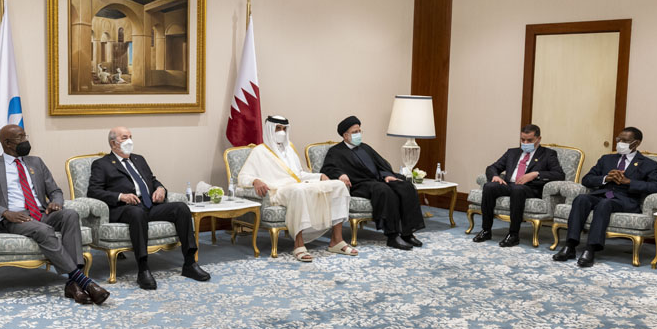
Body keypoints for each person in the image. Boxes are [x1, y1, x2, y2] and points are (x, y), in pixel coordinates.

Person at [0, 124, 109, 305]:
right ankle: (84, 282)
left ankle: (73, 284)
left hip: (41, 212)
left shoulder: (36, 162)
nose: (25, 140)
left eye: (25, 135)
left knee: (71, 215)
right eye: (20, 137)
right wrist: (5, 212)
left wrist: (56, 202)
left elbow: (55, 190)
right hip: (15, 218)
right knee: (44, 230)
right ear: (7, 143)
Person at [87, 126, 210, 290]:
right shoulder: (102, 164)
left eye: (130, 137)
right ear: (113, 143)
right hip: (125, 209)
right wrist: (120, 196)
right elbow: (93, 191)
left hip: (149, 205)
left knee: (181, 208)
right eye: (124, 138)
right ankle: (143, 269)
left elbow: (152, 180)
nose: (129, 141)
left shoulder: (139, 159)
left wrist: (160, 189)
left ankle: (190, 263)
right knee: (137, 213)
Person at [238, 115, 357, 262]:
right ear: (269, 129)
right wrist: (255, 181)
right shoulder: (259, 151)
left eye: (284, 129)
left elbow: (299, 174)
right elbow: (242, 176)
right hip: (279, 190)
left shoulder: (289, 149)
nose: (281, 132)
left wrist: (319, 176)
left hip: (298, 185)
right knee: (298, 191)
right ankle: (299, 244)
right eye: (278, 128)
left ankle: (336, 241)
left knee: (338, 185)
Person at [553, 127, 657, 267]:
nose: (620, 143)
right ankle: (570, 245)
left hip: (625, 199)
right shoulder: (606, 159)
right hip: (603, 194)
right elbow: (587, 179)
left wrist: (629, 182)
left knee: (605, 204)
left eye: (625, 141)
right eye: (619, 139)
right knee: (581, 199)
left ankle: (590, 249)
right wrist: (605, 178)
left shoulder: (648, 164)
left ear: (636, 143)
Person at [320, 115, 425, 250]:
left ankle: (407, 233)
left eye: (359, 131)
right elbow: (328, 168)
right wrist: (341, 174)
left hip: (377, 180)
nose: (358, 134)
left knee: (406, 186)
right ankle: (392, 236)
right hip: (358, 185)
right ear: (345, 135)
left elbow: (381, 164)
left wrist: (387, 175)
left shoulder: (365, 147)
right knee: (384, 191)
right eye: (355, 132)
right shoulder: (336, 151)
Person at [473, 124, 564, 247]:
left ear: (538, 139)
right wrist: (495, 176)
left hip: (530, 188)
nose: (525, 143)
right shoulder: (512, 152)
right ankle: (486, 230)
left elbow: (559, 174)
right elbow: (492, 167)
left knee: (517, 189)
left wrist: (535, 174)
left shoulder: (548, 154)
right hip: (509, 184)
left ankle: (513, 234)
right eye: (523, 140)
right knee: (489, 186)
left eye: (529, 140)